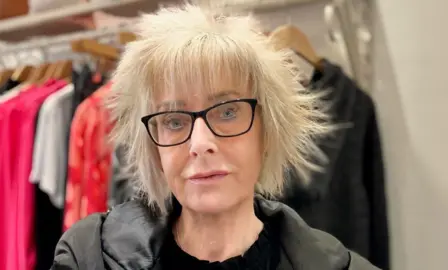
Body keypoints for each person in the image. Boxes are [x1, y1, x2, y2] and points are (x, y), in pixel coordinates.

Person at [51, 4, 380, 270]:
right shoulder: (90, 257)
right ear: (153, 147)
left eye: (227, 112)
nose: (200, 144)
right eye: (174, 120)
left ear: (267, 130)